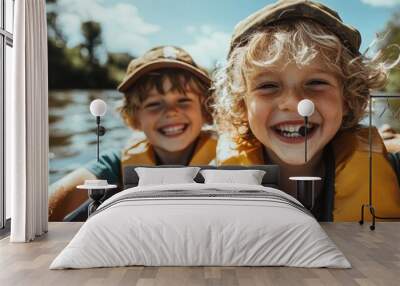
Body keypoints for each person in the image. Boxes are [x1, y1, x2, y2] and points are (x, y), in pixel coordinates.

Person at [213, 0, 400, 221]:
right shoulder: (207, 187)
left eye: (316, 82)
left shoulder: (395, 173)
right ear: (241, 104)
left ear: (348, 98)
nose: (295, 103)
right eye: (268, 86)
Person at [49, 46, 217, 221]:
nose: (171, 112)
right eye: (154, 104)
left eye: (184, 100)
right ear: (135, 117)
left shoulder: (229, 159)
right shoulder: (114, 166)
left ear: (205, 109)